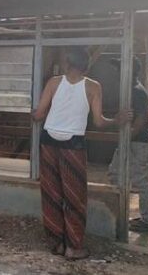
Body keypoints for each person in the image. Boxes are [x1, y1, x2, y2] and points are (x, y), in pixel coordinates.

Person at [31, 48, 130, 260]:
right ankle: (73, 247)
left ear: (67, 63)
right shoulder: (93, 86)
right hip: (73, 144)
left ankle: (56, 243)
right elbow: (99, 121)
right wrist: (117, 121)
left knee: (51, 193)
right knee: (75, 196)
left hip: (48, 141)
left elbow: (38, 115)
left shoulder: (54, 82)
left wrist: (32, 112)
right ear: (86, 66)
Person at [107, 57, 148, 232]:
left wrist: (126, 139)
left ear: (129, 71)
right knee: (115, 173)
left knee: (140, 181)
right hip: (132, 141)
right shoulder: (131, 90)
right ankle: (122, 211)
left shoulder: (137, 91)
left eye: (119, 69)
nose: (116, 73)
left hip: (137, 143)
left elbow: (140, 122)